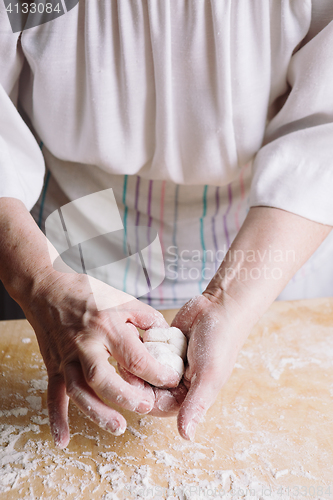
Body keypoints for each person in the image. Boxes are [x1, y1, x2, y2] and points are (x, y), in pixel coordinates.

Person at [1, 0, 333, 448]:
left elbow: (323, 135)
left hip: (265, 244)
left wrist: (229, 300)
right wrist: (41, 280)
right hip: (70, 239)